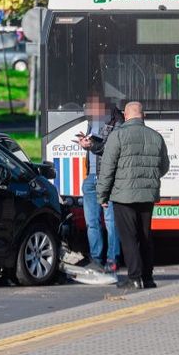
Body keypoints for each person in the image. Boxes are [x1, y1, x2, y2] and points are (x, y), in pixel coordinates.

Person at [96, 101, 169, 290]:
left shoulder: (117, 136)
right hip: (147, 194)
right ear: (143, 115)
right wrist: (147, 179)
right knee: (145, 236)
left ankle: (134, 278)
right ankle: (148, 278)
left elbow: (107, 169)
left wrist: (102, 196)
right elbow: (164, 167)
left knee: (129, 237)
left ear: (126, 116)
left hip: (123, 195)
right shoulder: (156, 137)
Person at [73, 94, 124, 273]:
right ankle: (96, 258)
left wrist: (91, 145)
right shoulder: (92, 122)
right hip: (91, 178)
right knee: (91, 222)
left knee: (110, 221)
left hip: (107, 178)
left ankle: (112, 258)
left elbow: (111, 148)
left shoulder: (116, 121)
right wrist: (84, 142)